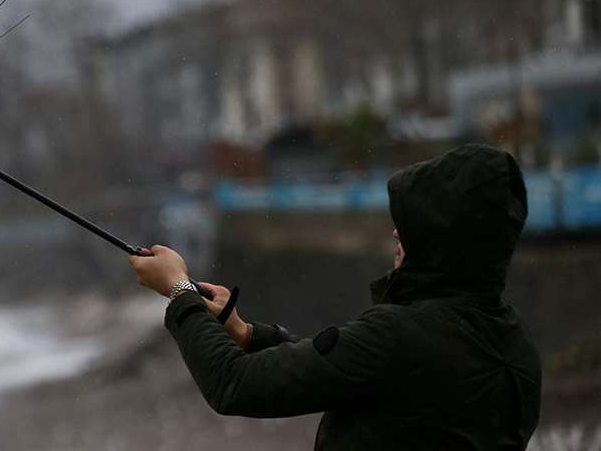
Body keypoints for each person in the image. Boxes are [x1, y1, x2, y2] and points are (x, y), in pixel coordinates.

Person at [129, 144, 541, 449]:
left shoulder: (397, 337)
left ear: (444, 239)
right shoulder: (516, 347)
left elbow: (235, 384)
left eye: (414, 224)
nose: (396, 232)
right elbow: (355, 374)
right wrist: (247, 334)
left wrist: (179, 290)